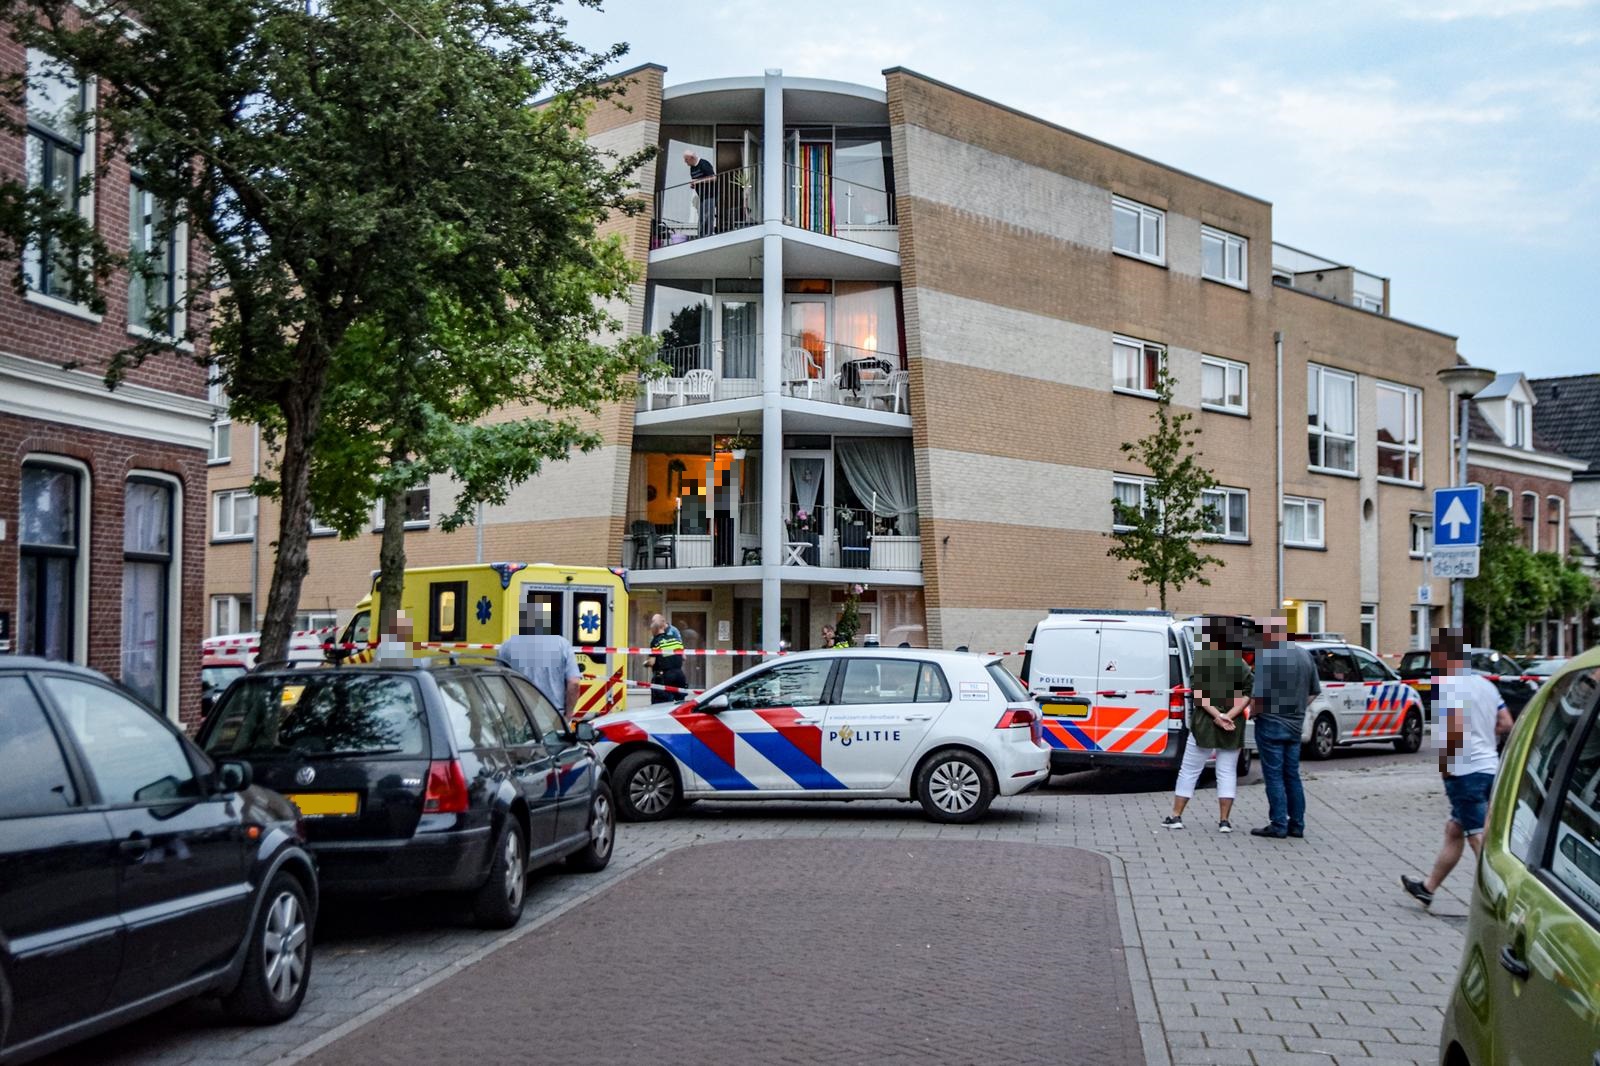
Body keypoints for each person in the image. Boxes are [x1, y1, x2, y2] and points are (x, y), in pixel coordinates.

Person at [1401, 628, 1513, 907]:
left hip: (1464, 771)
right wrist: (1486, 738)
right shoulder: (1487, 686)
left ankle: (1503, 897)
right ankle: (1428, 888)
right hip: (1490, 767)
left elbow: (1451, 733)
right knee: (1455, 830)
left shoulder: (1448, 688)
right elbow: (1506, 723)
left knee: (1477, 836)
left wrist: (1448, 770)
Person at [1163, 619, 1252, 833]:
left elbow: (1199, 695)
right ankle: (1224, 821)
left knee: (1189, 770)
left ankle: (1176, 816)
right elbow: (1248, 693)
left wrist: (1217, 715)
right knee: (1227, 772)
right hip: (1232, 726)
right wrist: (1228, 716)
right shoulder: (1240, 664)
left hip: (1205, 723)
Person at [1249, 615, 1321, 839]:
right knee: (1292, 775)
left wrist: (1253, 714)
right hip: (1295, 724)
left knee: (1274, 775)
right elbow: (1314, 692)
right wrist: (1297, 708)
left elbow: (1258, 696)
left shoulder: (1268, 656)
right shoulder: (1305, 655)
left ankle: (1279, 824)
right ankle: (1297, 824)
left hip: (1270, 722)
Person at [497, 601, 581, 716]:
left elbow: (499, 682)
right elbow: (574, 683)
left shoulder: (507, 646)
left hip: (520, 714)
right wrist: (569, 715)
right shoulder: (562, 645)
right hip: (553, 715)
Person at [648, 613, 687, 704]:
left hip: (664, 676)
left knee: (661, 706)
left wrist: (646, 663)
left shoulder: (656, 641)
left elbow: (651, 662)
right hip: (679, 675)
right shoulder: (675, 639)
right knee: (679, 705)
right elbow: (684, 657)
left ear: (654, 629)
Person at [684, 151, 716, 237]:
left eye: (686, 160)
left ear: (692, 158)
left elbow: (713, 178)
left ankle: (707, 235)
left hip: (710, 194)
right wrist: (693, 185)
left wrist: (698, 181)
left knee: (707, 215)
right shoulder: (692, 168)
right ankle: (701, 235)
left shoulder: (704, 163)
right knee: (702, 217)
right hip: (701, 196)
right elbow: (696, 181)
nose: (685, 162)